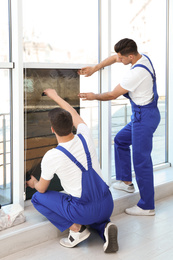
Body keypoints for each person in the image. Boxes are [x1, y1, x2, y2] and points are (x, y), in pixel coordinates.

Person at [26, 88, 118, 253]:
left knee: (37, 198)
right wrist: (55, 96)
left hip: (83, 211)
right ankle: (105, 226)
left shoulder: (52, 155)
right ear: (71, 125)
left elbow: (41, 189)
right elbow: (72, 113)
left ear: (52, 130)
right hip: (107, 204)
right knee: (93, 211)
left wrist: (33, 183)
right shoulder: (85, 135)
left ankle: (77, 230)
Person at [78, 38, 160, 216]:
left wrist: (93, 96)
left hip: (143, 118)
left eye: (122, 58)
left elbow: (112, 94)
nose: (119, 60)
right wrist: (95, 68)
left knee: (141, 161)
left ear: (130, 56)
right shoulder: (142, 57)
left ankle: (147, 206)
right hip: (144, 114)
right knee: (121, 140)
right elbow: (113, 58)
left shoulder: (135, 74)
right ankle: (126, 182)